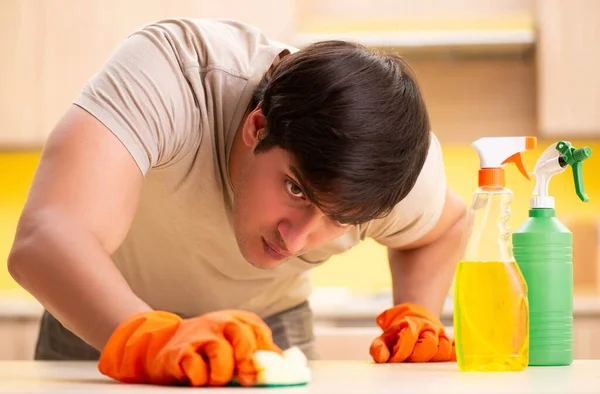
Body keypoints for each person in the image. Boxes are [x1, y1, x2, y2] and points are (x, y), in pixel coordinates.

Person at [8, 18, 467, 386]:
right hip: (106, 322)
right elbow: (45, 239)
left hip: (266, 332)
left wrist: (418, 315)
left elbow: (445, 228)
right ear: (257, 126)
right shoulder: (176, 73)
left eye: (339, 220)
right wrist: (154, 339)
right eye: (295, 189)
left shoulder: (396, 167)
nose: (298, 238)